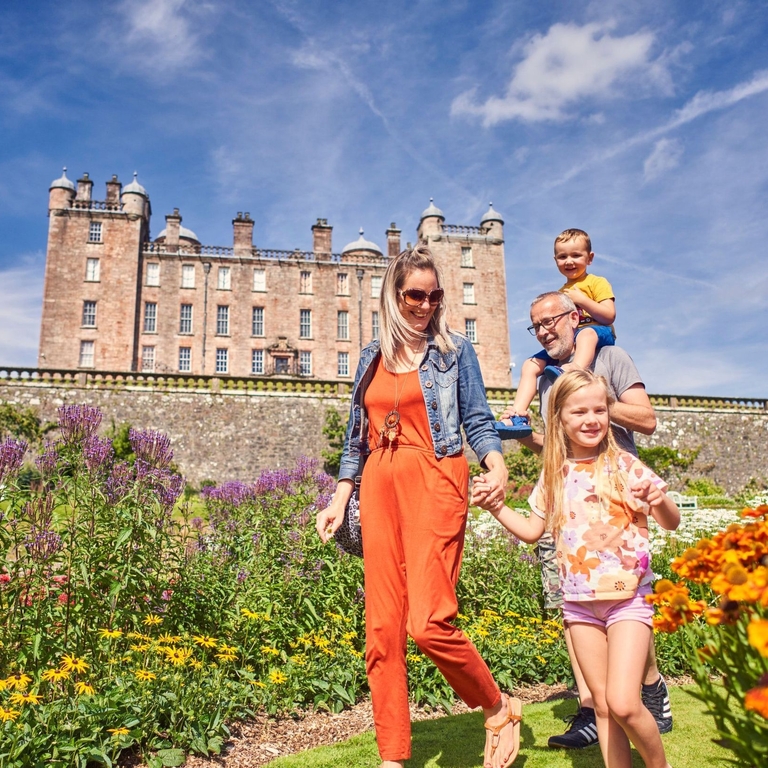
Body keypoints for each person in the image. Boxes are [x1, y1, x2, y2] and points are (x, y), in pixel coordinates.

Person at [315, 244, 521, 768]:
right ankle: (392, 757)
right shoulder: (370, 356)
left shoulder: (454, 351)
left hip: (436, 478)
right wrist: (339, 498)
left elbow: (478, 419)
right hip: (378, 487)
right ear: (394, 294)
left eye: (434, 296)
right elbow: (355, 437)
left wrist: (496, 464)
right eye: (415, 296)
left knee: (428, 622)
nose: (426, 305)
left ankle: (497, 706)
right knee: (382, 629)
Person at [473, 369, 680, 768]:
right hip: (580, 605)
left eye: (600, 410)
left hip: (628, 600)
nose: (592, 419)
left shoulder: (625, 465)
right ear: (559, 419)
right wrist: (497, 507)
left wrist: (658, 500)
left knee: (624, 702)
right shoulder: (554, 474)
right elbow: (532, 531)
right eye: (579, 411)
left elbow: (671, 522)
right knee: (602, 705)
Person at [500, 290, 673, 749]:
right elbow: (557, 444)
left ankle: (650, 684)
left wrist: (594, 402)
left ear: (575, 317)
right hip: (566, 499)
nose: (543, 332)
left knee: (623, 601)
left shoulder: (612, 357)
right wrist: (525, 434)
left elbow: (648, 419)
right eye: (535, 326)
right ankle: (592, 710)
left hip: (618, 499)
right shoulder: (543, 378)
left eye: (550, 321)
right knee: (572, 601)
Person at [498, 228, 616, 440]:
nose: (569, 261)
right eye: (562, 257)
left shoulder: (597, 282)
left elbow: (609, 315)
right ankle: (517, 415)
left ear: (589, 258)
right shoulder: (561, 293)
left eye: (576, 255)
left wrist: (582, 300)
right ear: (555, 260)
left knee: (586, 334)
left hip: (599, 332)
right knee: (530, 365)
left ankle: (574, 370)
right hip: (573, 340)